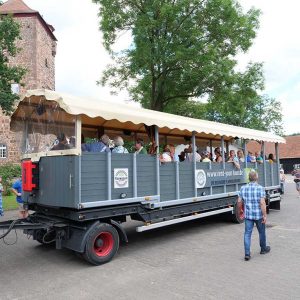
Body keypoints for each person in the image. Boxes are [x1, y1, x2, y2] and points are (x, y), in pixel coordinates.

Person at [237, 170, 270, 261]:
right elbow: (262, 203)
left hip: (248, 216)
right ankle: (263, 249)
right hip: (258, 215)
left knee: (247, 234)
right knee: (261, 232)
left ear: (249, 178)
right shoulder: (260, 188)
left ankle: (247, 254)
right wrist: (264, 215)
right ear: (257, 178)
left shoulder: (243, 188)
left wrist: (240, 211)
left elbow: (239, 202)